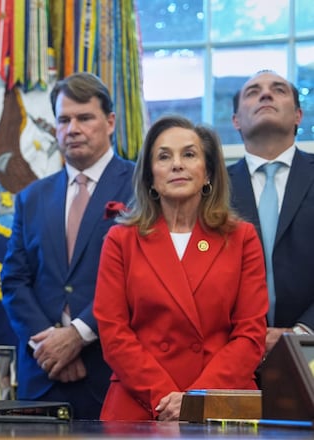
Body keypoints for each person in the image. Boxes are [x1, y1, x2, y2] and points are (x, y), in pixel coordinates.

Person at [93, 115, 268, 421]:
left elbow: (250, 335)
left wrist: (196, 400)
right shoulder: (121, 240)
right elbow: (113, 333)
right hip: (142, 406)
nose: (177, 164)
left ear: (208, 172)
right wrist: (166, 398)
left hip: (220, 403)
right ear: (150, 177)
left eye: (188, 154)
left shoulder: (241, 238)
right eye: (164, 156)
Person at [0, 72, 134, 420]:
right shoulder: (32, 197)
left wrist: (79, 335)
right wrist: (48, 345)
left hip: (111, 373)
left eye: (84, 118)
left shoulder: (140, 188)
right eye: (63, 119)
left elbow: (140, 281)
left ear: (110, 122)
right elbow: (14, 281)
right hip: (43, 376)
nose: (72, 128)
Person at [229, 70, 314, 353]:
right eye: (253, 92)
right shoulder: (211, 188)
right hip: (229, 352)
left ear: (298, 116)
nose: (266, 94)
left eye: (278, 89)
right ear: (236, 120)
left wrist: (301, 333)